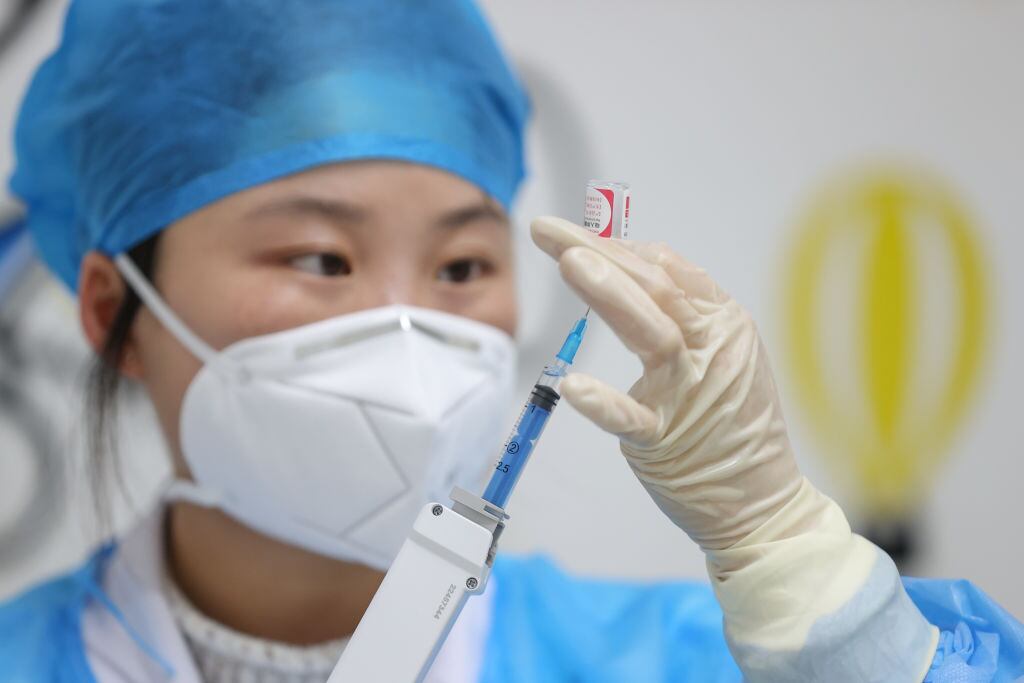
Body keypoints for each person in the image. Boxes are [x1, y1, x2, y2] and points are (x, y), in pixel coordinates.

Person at [1, 1, 1021, 681]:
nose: (409, 325)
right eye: (319, 258)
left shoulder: (671, 660)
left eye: (460, 267)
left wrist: (793, 564)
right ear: (111, 315)